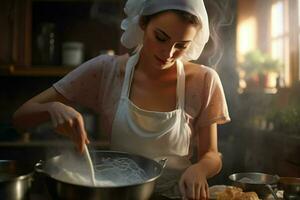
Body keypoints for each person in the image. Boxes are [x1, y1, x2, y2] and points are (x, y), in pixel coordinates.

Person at [13, 0, 230, 199]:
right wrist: (53, 108)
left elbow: (211, 154)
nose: (168, 53)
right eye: (161, 37)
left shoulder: (204, 80)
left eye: (181, 45)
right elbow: (20, 119)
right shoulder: (106, 71)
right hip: (121, 196)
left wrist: (199, 169)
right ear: (143, 23)